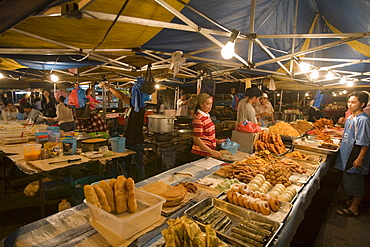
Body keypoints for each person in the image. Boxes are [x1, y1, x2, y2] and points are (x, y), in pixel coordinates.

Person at [323, 91, 370, 218]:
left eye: (353, 102)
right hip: (346, 153)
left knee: (355, 181)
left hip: (354, 154)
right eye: (349, 102)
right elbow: (346, 133)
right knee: (349, 180)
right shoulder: (350, 118)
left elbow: (365, 142)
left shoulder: (363, 120)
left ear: (362, 104)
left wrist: (360, 158)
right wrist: (332, 130)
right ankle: (350, 201)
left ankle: (354, 208)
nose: (350, 104)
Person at [99, 79, 146, 181]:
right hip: (128, 140)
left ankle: (142, 184)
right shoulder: (132, 108)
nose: (131, 98)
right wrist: (124, 134)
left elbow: (121, 97)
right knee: (128, 165)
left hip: (136, 142)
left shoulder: (139, 107)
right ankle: (129, 182)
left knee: (139, 165)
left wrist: (108, 87)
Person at [191, 93, 226, 160]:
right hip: (201, 153)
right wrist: (211, 151)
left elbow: (206, 135)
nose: (210, 106)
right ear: (201, 104)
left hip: (208, 151)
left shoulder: (206, 116)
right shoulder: (199, 118)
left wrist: (217, 141)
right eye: (207, 104)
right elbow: (196, 138)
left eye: (211, 104)